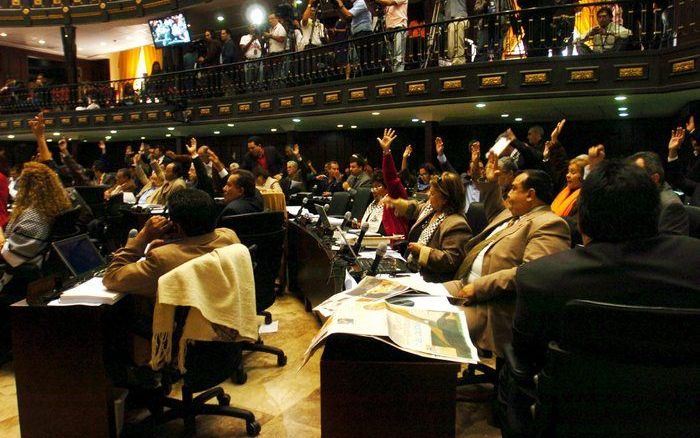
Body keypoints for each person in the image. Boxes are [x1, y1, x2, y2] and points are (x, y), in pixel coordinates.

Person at [501, 160, 700, 436]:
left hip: (574, 421)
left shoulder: (540, 277)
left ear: (581, 217)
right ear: (656, 212)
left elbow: (526, 356)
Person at [443, 152, 571, 357]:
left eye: (513, 188)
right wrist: (488, 179)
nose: (508, 194)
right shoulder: (510, 214)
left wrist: (480, 287)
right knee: (412, 298)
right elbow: (492, 199)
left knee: (433, 325)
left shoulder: (549, 223)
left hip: (492, 306)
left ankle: (436, 385)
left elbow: (533, 274)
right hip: (464, 284)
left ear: (530, 194)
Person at [103, 189, 240, 298]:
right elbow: (200, 240)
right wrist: (173, 243)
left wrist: (142, 237)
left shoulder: (162, 259)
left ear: (176, 227)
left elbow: (111, 277)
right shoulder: (229, 236)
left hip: (182, 329)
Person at [390, 171, 471, 282]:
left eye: (432, 194)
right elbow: (416, 208)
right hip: (412, 270)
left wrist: (422, 251)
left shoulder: (457, 224)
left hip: (430, 279)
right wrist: (397, 203)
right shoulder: (432, 209)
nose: (428, 195)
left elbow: (450, 261)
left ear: (445, 199)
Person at [628, 151, 689, 236]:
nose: (629, 179)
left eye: (636, 175)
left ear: (654, 179)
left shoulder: (671, 207)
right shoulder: (644, 195)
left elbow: (668, 246)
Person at [550, 155, 588, 244]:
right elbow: (559, 164)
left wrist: (553, 220)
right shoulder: (565, 189)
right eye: (568, 172)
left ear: (583, 176)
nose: (567, 175)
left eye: (573, 172)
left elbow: (577, 225)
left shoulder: (585, 197)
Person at [335, 0, 373, 75]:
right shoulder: (355, 5)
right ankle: (364, 76)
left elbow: (348, 15)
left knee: (365, 59)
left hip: (364, 33)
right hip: (358, 34)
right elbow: (345, 19)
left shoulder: (361, 2)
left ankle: (368, 76)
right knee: (360, 60)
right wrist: (337, 7)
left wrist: (341, 5)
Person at [374, 0, 408, 72]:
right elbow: (375, 13)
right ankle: (395, 75)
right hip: (389, 28)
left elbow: (389, 3)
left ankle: (399, 76)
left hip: (399, 27)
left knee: (398, 56)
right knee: (391, 57)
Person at [444, 0, 468, 65]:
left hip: (461, 16)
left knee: (459, 29)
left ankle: (460, 58)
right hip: (450, 19)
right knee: (451, 32)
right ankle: (451, 57)